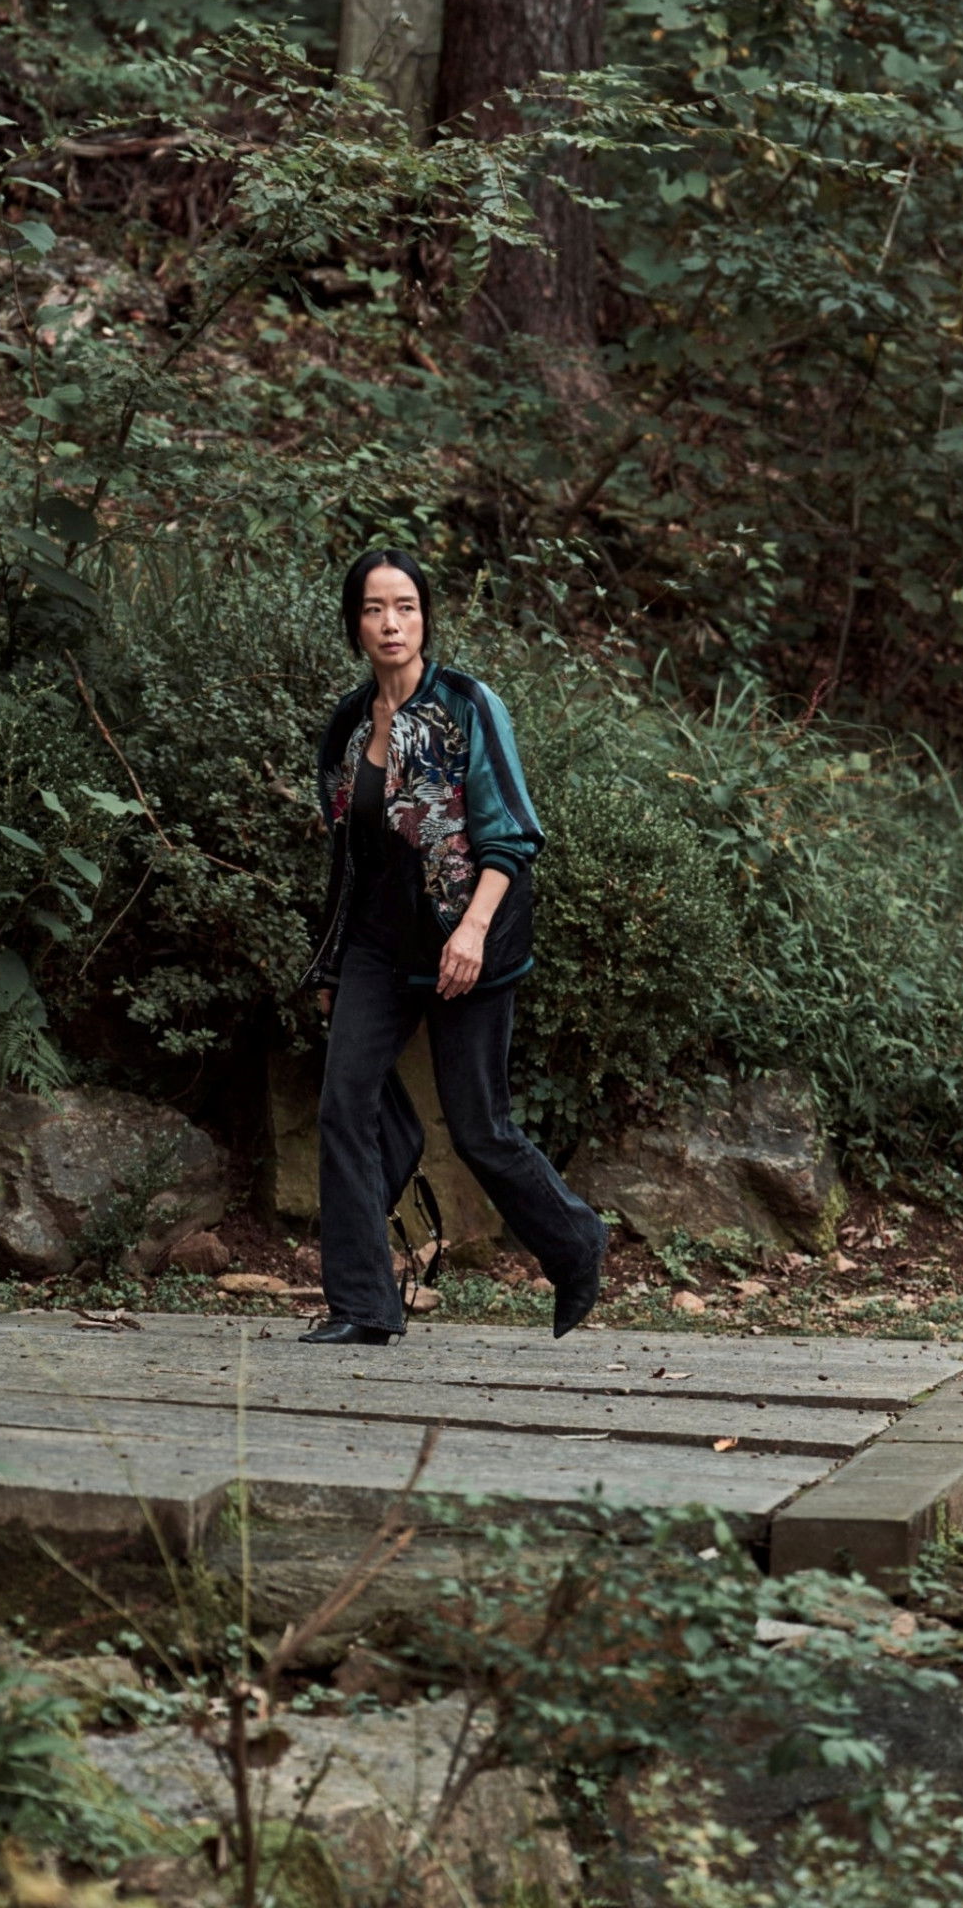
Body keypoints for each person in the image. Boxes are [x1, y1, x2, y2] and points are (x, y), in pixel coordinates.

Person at [298, 550, 607, 1345]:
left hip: (468, 943)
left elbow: (513, 835)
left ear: (425, 616)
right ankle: (364, 1306)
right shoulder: (345, 725)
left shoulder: (467, 704)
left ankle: (577, 1243)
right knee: (343, 1106)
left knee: (479, 1130)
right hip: (377, 945)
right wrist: (330, 961)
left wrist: (471, 930)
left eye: (404, 606)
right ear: (354, 623)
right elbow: (349, 859)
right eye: (374, 608)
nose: (390, 623)